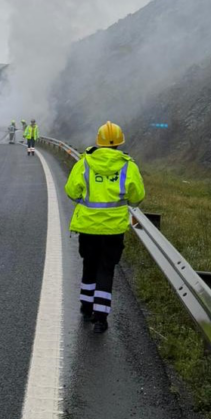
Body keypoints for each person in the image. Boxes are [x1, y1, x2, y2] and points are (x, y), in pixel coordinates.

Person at [64, 121, 145, 334]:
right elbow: (137, 198)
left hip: (88, 226)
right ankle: (100, 319)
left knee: (89, 265)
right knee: (106, 269)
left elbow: (72, 191)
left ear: (98, 142)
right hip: (113, 230)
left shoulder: (85, 163)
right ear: (119, 143)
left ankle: (85, 306)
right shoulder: (129, 166)